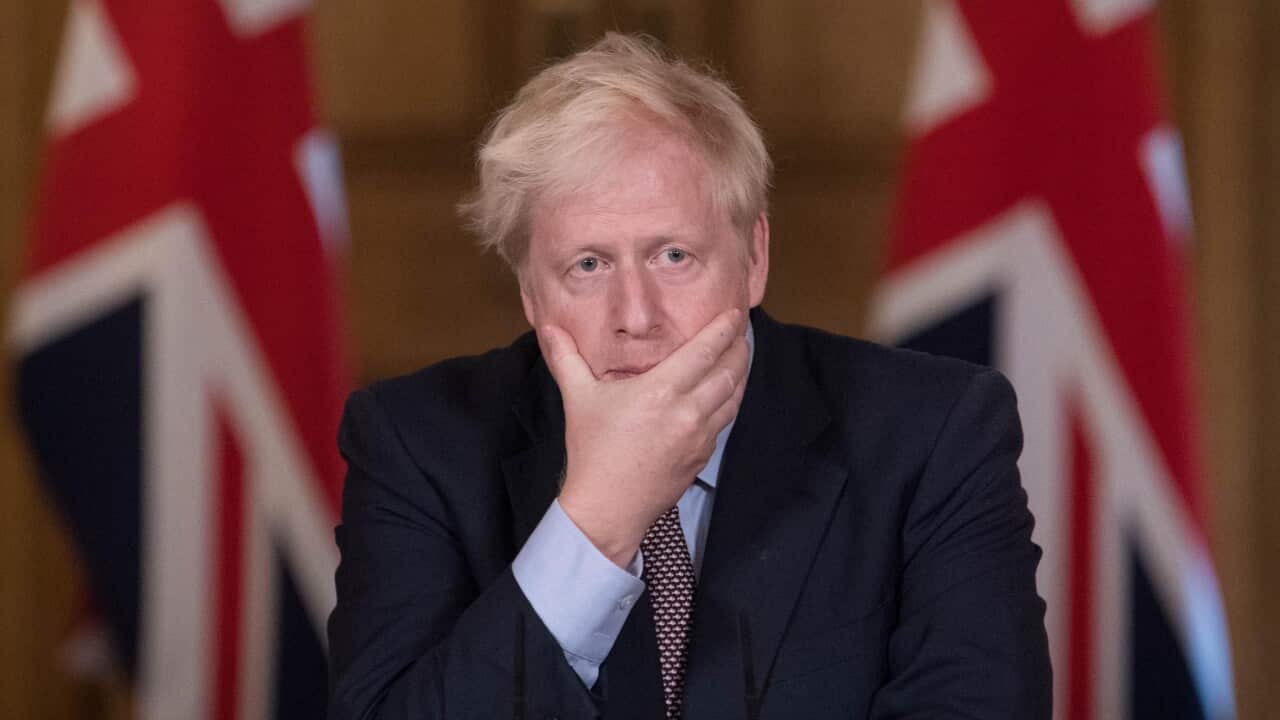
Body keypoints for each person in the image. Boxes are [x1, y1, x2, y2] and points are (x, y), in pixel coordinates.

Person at [327, 32, 1051, 720]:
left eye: (674, 255)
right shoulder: (416, 445)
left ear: (754, 256)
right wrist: (593, 525)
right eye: (588, 265)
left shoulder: (935, 433)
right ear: (530, 293)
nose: (636, 316)